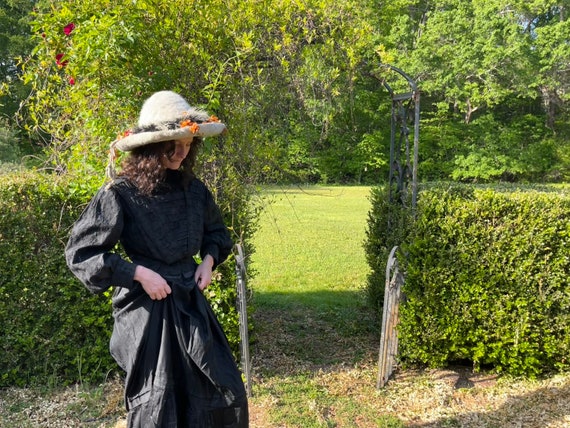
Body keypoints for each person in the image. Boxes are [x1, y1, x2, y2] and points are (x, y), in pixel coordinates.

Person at [65, 90, 249, 427]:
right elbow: (82, 253)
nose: (182, 151)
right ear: (151, 146)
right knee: (158, 403)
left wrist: (208, 261)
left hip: (190, 304)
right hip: (147, 310)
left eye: (188, 143)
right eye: (173, 143)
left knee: (221, 393)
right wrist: (138, 274)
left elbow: (217, 233)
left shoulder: (194, 190)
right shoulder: (120, 193)